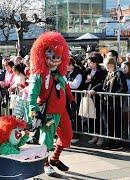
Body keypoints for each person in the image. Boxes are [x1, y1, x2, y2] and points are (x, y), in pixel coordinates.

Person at [29, 32, 76, 176]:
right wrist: (34, 110)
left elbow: (67, 89)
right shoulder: (38, 76)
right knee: (46, 141)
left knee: (67, 137)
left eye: (58, 56)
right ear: (42, 54)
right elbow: (32, 97)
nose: (55, 59)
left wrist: (72, 101)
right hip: (48, 114)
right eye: (51, 54)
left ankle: (55, 159)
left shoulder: (61, 76)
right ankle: (45, 164)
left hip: (62, 113)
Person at [84, 52, 107, 146]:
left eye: (90, 63)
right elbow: (83, 83)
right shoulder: (87, 71)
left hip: (98, 98)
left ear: (95, 63)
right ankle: (94, 135)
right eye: (88, 63)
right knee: (91, 117)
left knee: (98, 117)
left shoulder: (102, 71)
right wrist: (86, 81)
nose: (89, 64)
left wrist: (94, 89)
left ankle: (100, 136)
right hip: (88, 97)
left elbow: (102, 83)